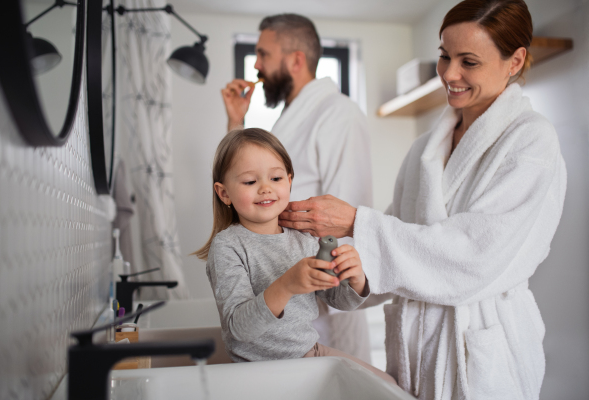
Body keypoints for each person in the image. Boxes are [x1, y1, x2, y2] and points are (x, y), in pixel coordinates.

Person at [279, 1, 567, 399]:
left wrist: (355, 223)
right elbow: (397, 253)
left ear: (515, 61)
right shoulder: (423, 151)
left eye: (469, 61)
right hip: (415, 349)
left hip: (483, 352)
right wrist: (357, 273)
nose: (450, 74)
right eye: (444, 56)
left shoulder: (531, 141)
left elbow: (474, 255)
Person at [221, 13, 374, 363]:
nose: (256, 64)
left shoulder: (339, 114)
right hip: (281, 309)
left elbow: (346, 216)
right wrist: (235, 122)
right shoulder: (291, 118)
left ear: (296, 60)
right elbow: (242, 175)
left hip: (324, 306)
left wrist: (337, 284)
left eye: (264, 54)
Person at [193, 128, 396, 385]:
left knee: (388, 387)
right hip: (253, 372)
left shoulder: (302, 239)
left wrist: (355, 279)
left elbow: (338, 300)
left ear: (289, 181)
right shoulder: (227, 246)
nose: (266, 188)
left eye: (275, 178)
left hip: (308, 354)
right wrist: (287, 285)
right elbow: (239, 329)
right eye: (250, 182)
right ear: (224, 194)